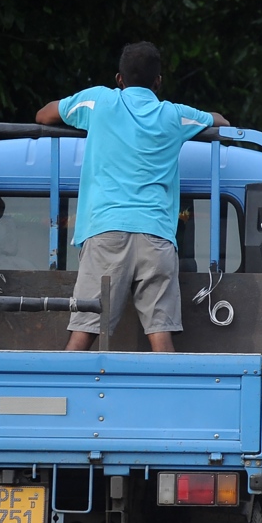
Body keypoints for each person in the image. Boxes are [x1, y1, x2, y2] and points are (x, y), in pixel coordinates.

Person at [35, 42, 231, 352]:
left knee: (84, 332)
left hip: (106, 232)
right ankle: (166, 399)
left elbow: (44, 115)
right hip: (156, 235)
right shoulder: (174, 115)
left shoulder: (98, 101)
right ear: (158, 81)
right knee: (160, 334)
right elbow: (220, 121)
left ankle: (61, 395)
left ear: (119, 79)